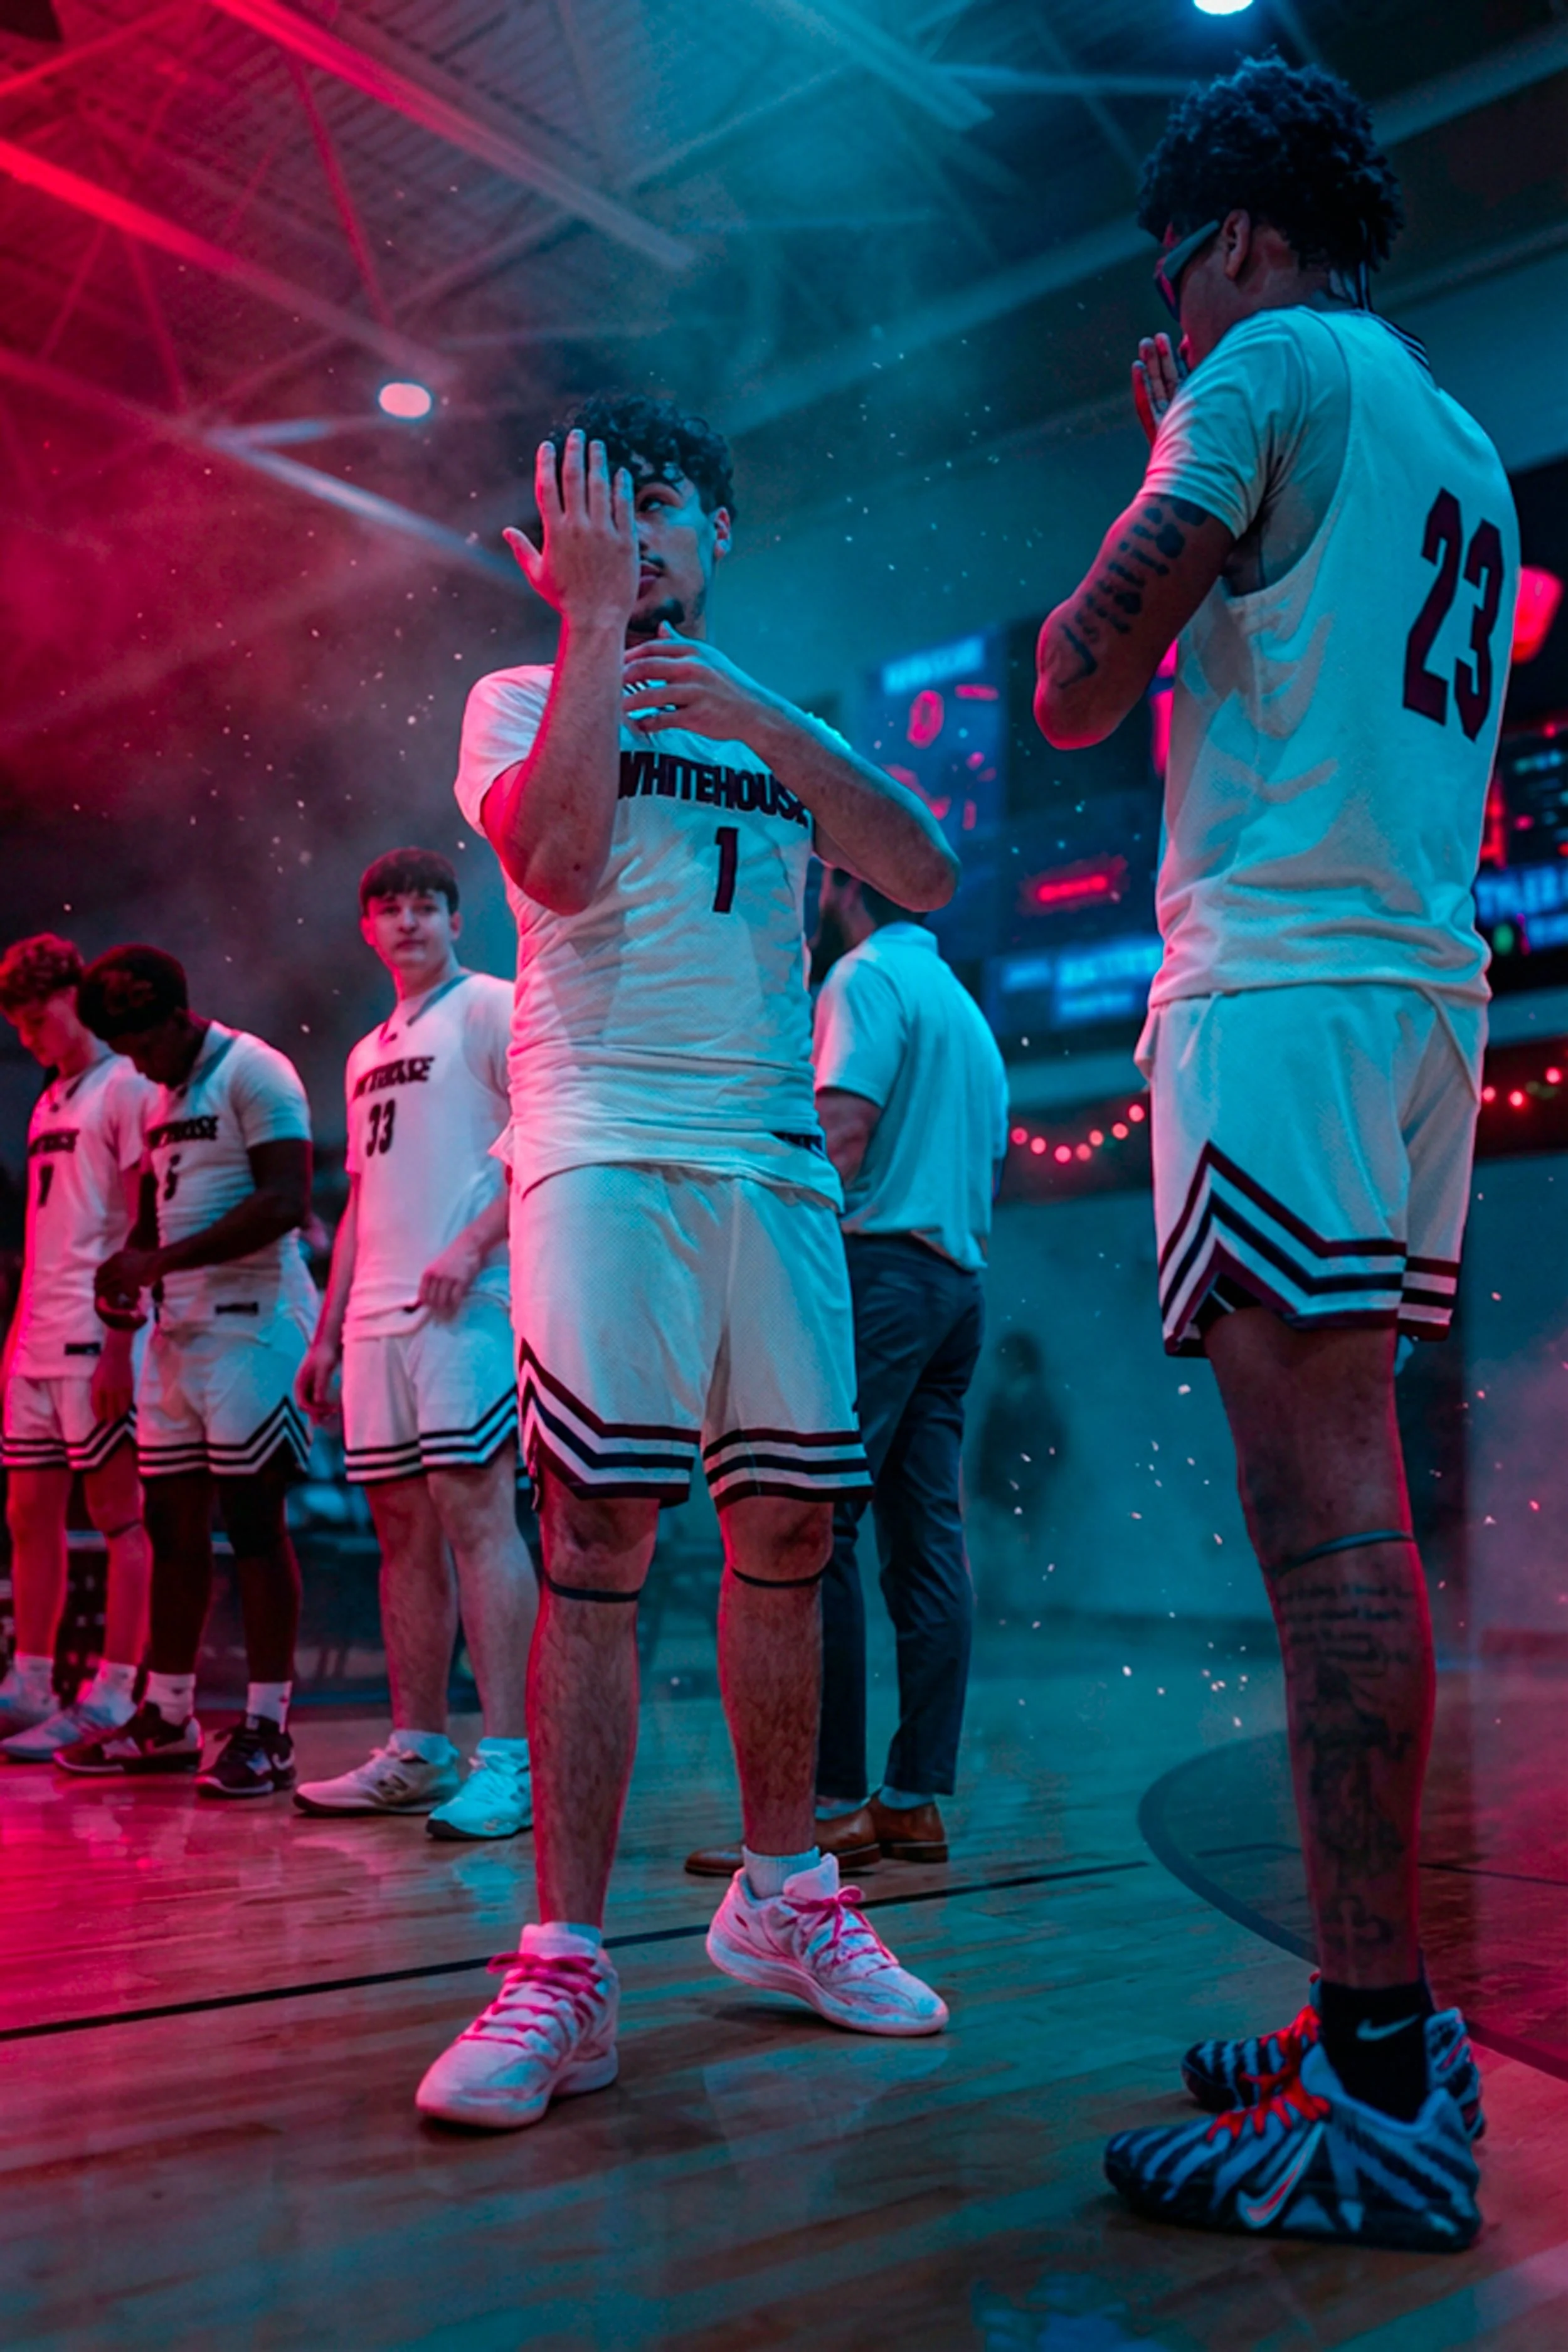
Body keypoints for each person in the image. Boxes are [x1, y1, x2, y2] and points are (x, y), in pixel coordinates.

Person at [1035, 58, 1514, 2251]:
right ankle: (1376, 2034)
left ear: (1226, 237)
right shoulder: (1459, 433)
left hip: (1285, 992)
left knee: (1328, 1543)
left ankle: (1391, 2083)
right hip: (1420, 996)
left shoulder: (1258, 373)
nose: (1181, 300)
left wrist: (1169, 432)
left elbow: (1072, 675)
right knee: (1367, 1524)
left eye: (1179, 266)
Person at [415, 393, 960, 2132]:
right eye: (594, 505)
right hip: (596, 1145)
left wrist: (760, 714)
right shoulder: (519, 692)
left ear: (717, 529)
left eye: (657, 503)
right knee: (598, 1527)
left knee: (790, 1527)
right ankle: (562, 1955)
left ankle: (780, 1890)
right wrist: (589, 628)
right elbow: (558, 859)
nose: (631, 528)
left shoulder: (769, 711)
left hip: (772, 1152)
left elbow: (924, 866)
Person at [685, 869, 1007, 1878]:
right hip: (956, 1286)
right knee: (927, 1546)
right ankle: (911, 1801)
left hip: (877, 1277)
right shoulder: (967, 1010)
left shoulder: (864, 980)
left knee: (812, 1527)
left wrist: (773, 1248)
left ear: (844, 884)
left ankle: (823, 1806)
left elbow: (843, 1133)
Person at [294, 849, 538, 1838]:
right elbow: (357, 1198)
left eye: (424, 906)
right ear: (368, 928)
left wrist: (474, 1246)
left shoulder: (493, 1005)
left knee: (481, 1520)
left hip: (468, 1300)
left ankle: (514, 1759)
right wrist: (326, 1327)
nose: (406, 923)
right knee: (402, 1536)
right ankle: (420, 1749)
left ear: (452, 917)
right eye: (387, 908)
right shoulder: (363, 1051)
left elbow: (545, 1129)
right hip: (376, 1315)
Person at [55, 946, 317, 1799]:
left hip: (258, 1323)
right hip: (180, 1331)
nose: (137, 1063)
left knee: (253, 1520)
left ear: (177, 1014)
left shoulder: (256, 1069)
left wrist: (162, 1258)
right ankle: (167, 1714)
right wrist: (129, 1273)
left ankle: (269, 1728)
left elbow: (285, 1202)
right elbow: (150, 1217)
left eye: (143, 1044)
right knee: (171, 1524)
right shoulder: (160, 1092)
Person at [0, 935, 153, 1760]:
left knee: (119, 1516)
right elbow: (40, 1233)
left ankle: (113, 1688)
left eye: (38, 1020)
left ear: (74, 997)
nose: (30, 1039)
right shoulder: (47, 1099)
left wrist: (122, 1346)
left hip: (96, 1335)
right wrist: (15, 1340)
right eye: (19, 1028)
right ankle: (30, 1680)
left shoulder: (124, 1085)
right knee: (26, 1511)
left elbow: (139, 1220)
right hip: (37, 1336)